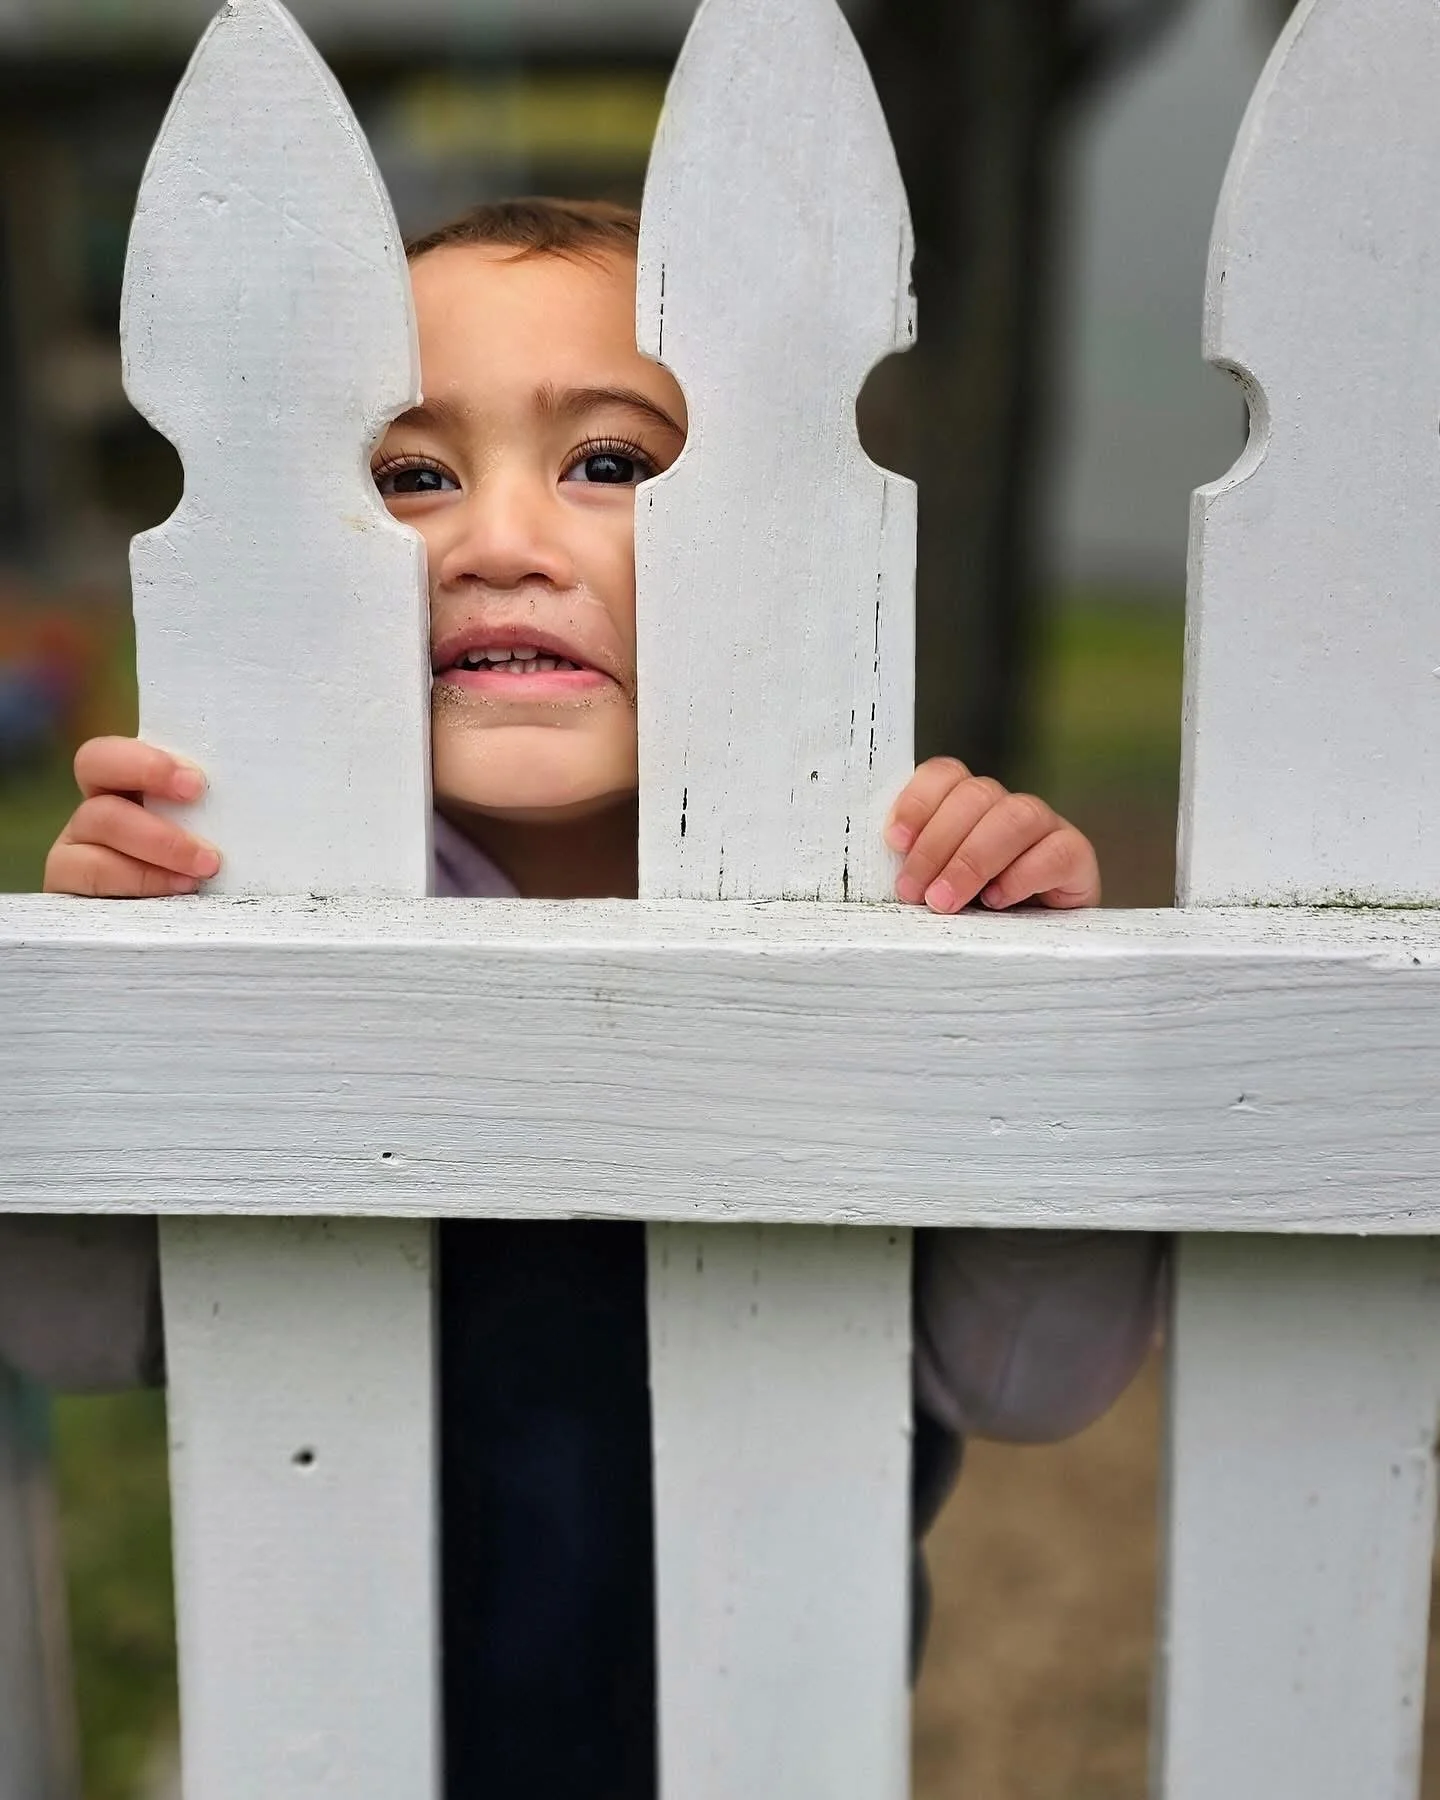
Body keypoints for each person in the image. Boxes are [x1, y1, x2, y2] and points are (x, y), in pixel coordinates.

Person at [37, 198, 1162, 1796]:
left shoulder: (884, 901)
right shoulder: (253, 902)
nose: (495, 541)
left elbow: (1034, 1381)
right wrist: (101, 1010)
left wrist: (1025, 1015)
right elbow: (73, 1326)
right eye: (411, 474)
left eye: (613, 465)